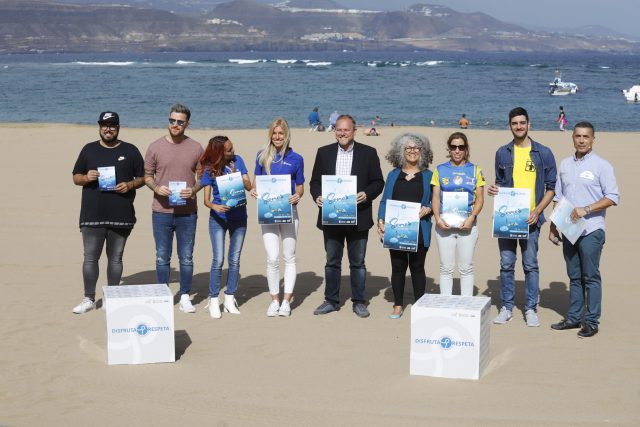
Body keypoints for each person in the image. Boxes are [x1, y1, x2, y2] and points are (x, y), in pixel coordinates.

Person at [310, 114, 385, 317]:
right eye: (339, 129)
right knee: (332, 261)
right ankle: (331, 301)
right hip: (331, 217)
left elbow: (378, 182)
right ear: (335, 130)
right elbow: (314, 181)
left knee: (357, 263)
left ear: (354, 131)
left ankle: (359, 302)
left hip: (358, 217)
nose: (342, 133)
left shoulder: (368, 153)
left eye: (346, 129)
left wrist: (367, 194)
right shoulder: (323, 153)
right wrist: (317, 196)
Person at [488, 107, 557, 327]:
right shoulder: (502, 152)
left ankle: (530, 308)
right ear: (510, 125)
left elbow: (551, 187)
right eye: (514, 123)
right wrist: (495, 190)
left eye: (522, 123)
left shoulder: (543, 153)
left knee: (530, 265)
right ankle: (507, 307)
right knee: (506, 264)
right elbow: (500, 182)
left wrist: (537, 211)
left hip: (532, 219)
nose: (518, 126)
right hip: (508, 217)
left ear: (529, 124)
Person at [549, 122, 619, 338]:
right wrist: (553, 225)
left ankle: (591, 321)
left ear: (593, 139)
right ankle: (573, 318)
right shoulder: (565, 164)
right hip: (569, 229)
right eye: (578, 136)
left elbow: (613, 197)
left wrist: (585, 209)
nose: (581, 140)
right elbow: (559, 198)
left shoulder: (602, 166)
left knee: (591, 277)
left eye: (586, 137)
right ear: (572, 137)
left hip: (592, 230)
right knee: (574, 276)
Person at [71, 112, 145, 314]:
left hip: (121, 215)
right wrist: (86, 177)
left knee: (115, 259)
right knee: (90, 258)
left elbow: (143, 177)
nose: (108, 129)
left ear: (118, 127)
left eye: (112, 125)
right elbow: (75, 177)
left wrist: (129, 184)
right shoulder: (89, 149)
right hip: (92, 215)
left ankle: (112, 298)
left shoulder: (130, 150)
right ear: (99, 127)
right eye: (104, 125)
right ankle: (88, 298)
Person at [144, 103, 204, 314]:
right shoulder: (154, 147)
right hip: (161, 212)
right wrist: (157, 188)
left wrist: (194, 189)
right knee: (162, 256)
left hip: (187, 212)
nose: (175, 125)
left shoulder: (196, 147)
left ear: (187, 123)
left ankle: (185, 296)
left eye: (180, 121)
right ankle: (163, 295)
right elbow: (147, 176)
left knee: (186, 256)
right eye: (172, 120)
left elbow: (203, 176)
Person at [250, 118, 305, 317]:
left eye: (281, 133)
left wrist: (297, 195)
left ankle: (286, 301)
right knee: (272, 258)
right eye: (274, 133)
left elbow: (300, 187)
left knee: (289, 257)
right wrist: (254, 192)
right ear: (270, 135)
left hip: (290, 213)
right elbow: (256, 184)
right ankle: (274, 300)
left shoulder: (296, 158)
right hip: (268, 214)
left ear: (287, 135)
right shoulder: (261, 156)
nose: (277, 137)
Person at [377, 133, 433, 319]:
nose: (412, 151)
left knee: (418, 267)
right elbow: (385, 200)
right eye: (408, 148)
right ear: (401, 152)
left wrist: (429, 209)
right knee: (398, 267)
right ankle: (398, 305)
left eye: (416, 147)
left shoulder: (429, 176)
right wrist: (380, 221)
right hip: (396, 229)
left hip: (419, 229)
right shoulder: (393, 175)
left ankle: (419, 304)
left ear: (422, 151)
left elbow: (437, 201)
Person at [199, 136, 252, 318]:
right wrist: (215, 206)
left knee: (235, 259)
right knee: (218, 259)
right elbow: (206, 200)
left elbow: (249, 185)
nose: (232, 152)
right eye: (228, 150)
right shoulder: (209, 168)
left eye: (232, 148)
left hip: (239, 217)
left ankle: (230, 297)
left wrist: (237, 174)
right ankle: (214, 299)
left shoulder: (239, 161)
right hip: (218, 218)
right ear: (219, 152)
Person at [431, 132, 485, 296]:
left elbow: (480, 198)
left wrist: (472, 217)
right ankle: (446, 303)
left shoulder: (475, 170)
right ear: (449, 148)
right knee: (446, 268)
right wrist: (438, 219)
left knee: (466, 267)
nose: (457, 150)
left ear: (466, 148)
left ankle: (466, 304)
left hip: (467, 226)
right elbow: (435, 197)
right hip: (444, 227)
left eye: (461, 147)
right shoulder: (439, 170)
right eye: (453, 147)